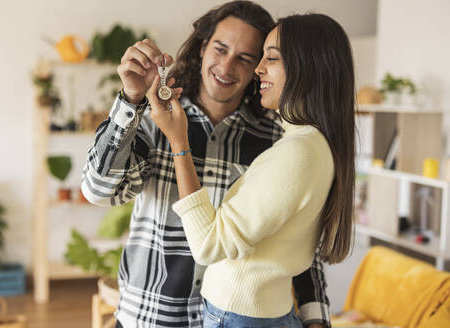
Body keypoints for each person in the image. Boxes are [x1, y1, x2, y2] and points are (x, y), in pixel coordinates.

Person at [82, 2, 331, 327]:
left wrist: (316, 317)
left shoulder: (275, 139)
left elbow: (295, 240)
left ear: (260, 67)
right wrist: (131, 100)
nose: (227, 67)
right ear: (203, 47)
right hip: (148, 320)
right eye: (221, 49)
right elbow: (99, 191)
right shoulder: (155, 117)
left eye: (245, 57)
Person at [148, 13, 356, 328]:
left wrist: (178, 140)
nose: (258, 70)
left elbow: (208, 245)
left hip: (240, 317)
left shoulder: (297, 153)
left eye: (270, 59)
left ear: (307, 70)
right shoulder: (307, 145)